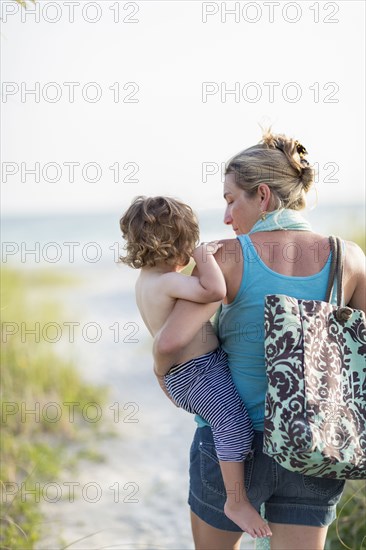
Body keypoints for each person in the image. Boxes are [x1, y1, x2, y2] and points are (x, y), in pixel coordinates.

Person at [153, 130, 366, 550]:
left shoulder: (226, 257)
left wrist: (162, 375)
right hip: (316, 445)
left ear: (263, 196)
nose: (228, 216)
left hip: (234, 446)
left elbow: (171, 342)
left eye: (232, 199)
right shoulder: (350, 257)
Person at [119, 196, 272, 538]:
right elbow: (215, 290)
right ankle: (235, 500)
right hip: (196, 372)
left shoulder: (147, 281)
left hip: (192, 371)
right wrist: (205, 255)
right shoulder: (167, 282)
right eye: (189, 243)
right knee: (232, 424)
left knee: (229, 423)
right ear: (180, 243)